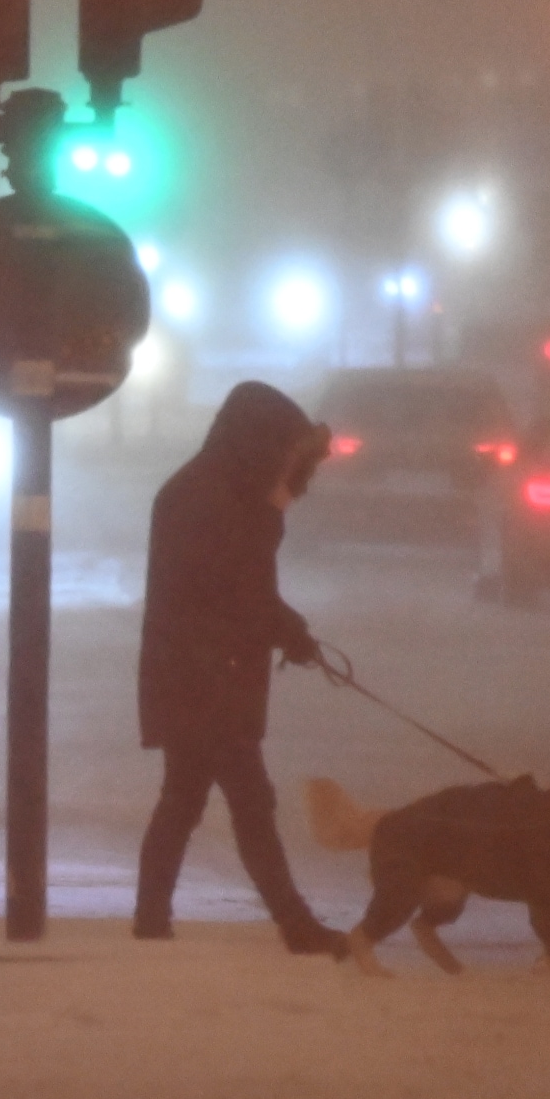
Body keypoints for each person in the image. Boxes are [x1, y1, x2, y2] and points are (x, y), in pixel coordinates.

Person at [133, 381, 352, 956]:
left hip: (198, 672)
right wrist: (288, 631)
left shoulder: (211, 491)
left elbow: (241, 591)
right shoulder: (215, 501)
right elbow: (234, 592)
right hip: (206, 675)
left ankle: (151, 919)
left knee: (182, 800)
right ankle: (295, 926)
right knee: (250, 802)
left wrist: (288, 630)